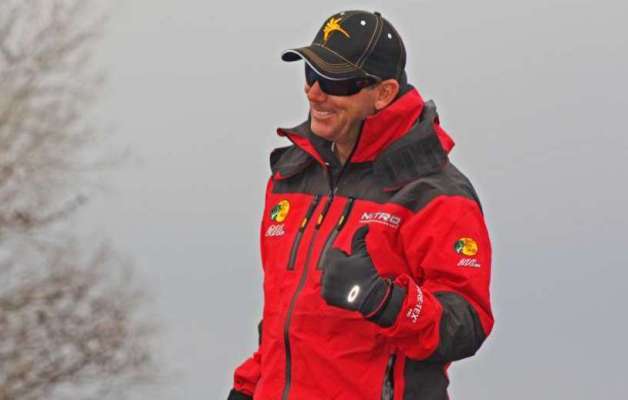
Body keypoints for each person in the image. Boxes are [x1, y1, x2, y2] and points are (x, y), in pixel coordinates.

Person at [227, 10, 493, 400]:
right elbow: (285, 322)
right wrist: (248, 388)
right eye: (310, 74)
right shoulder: (291, 178)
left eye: (335, 80)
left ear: (383, 93)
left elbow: (466, 324)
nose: (314, 92)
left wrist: (384, 300)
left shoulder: (434, 194)